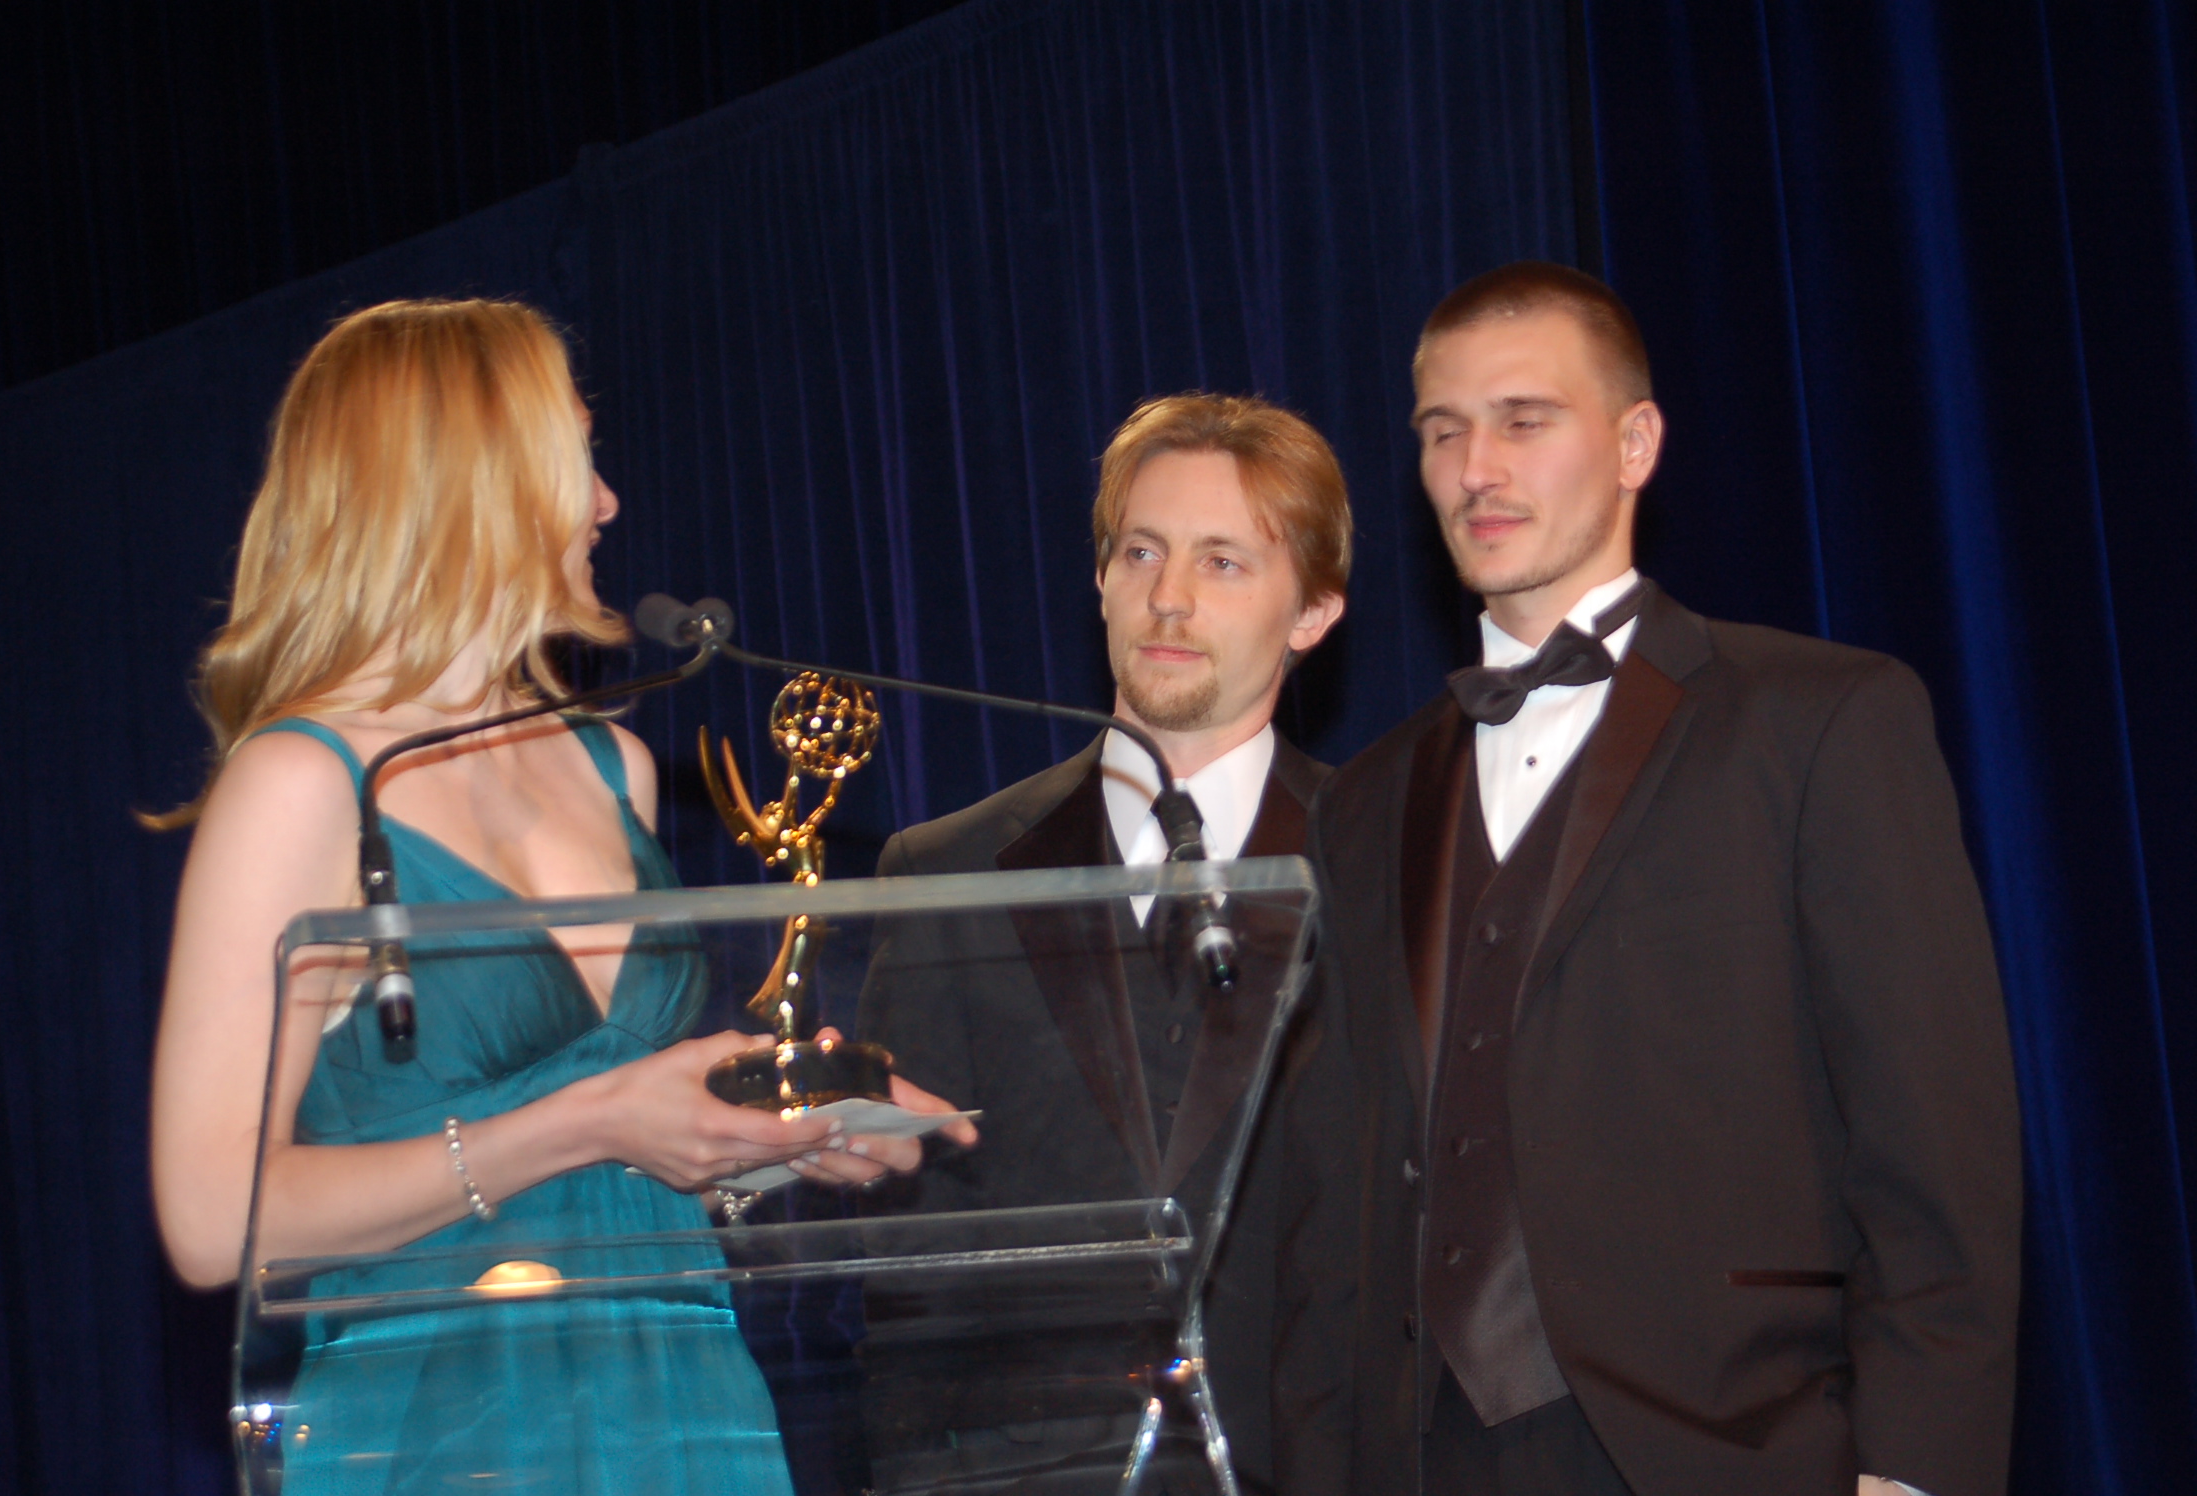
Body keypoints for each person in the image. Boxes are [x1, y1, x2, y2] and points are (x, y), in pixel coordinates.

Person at [146, 298, 972, 1494]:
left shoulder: (611, 764)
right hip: (437, 1432)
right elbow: (207, 1215)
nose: (608, 502)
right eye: (577, 457)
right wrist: (589, 1119)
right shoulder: (302, 783)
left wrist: (770, 1131)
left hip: (687, 1408)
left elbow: (620, 1145)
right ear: (466, 480)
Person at [1273, 262, 2022, 1496]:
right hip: (1422, 1455)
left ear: (1636, 444)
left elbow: (1935, 1141)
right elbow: (1330, 1204)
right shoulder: (1362, 800)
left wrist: (1916, 1468)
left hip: (1739, 1441)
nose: (1475, 468)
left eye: (1523, 419)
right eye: (1443, 430)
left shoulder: (1821, 719)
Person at [856, 392, 1351, 1491]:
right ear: (1101, 577)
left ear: (1313, 611)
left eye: (1223, 561)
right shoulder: (948, 869)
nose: (1169, 597)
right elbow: (910, 1258)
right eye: (1142, 551)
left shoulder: (1382, 858)